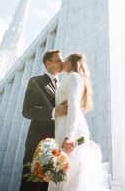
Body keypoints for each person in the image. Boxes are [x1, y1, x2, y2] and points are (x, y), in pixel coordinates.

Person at [48, 52, 111, 191]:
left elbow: (74, 106)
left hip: (72, 133)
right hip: (64, 130)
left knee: (65, 179)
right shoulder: (72, 79)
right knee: (62, 178)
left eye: (64, 60)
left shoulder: (74, 77)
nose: (62, 63)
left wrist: (68, 137)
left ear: (70, 61)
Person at [19, 50, 68, 191]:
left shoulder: (62, 87)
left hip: (57, 146)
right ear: (48, 63)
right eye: (58, 60)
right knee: (31, 186)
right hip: (37, 143)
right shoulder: (36, 81)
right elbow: (27, 110)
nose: (62, 63)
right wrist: (54, 111)